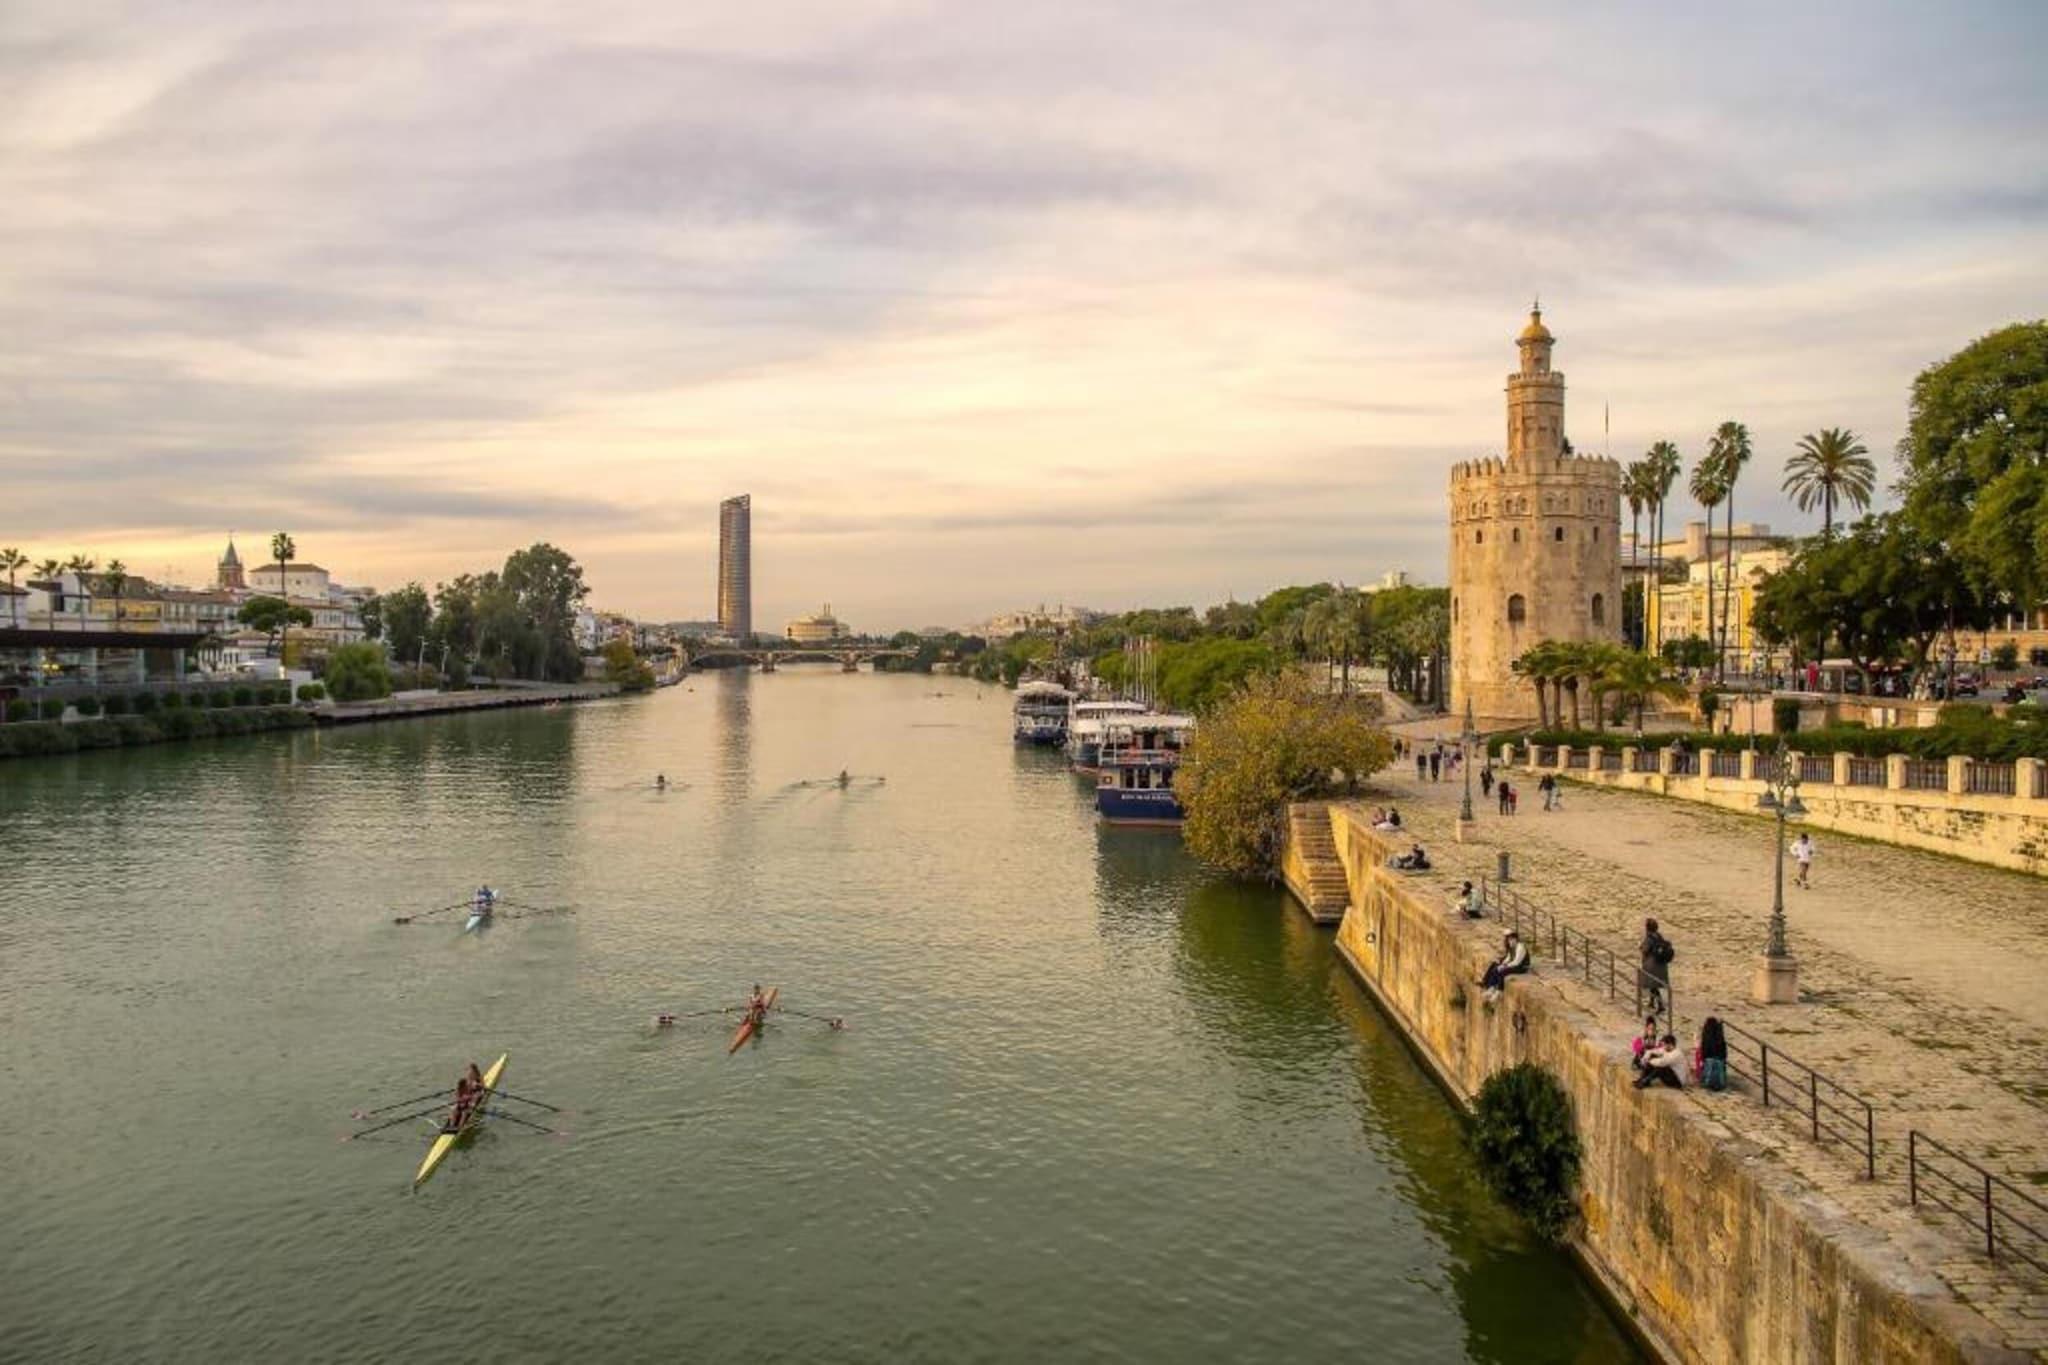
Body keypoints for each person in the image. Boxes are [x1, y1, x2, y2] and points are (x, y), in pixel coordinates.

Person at [1479, 932, 1529, 1002]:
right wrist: (1502, 964)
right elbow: (1508, 958)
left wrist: (1505, 966)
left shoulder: (1520, 947)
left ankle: (1499, 992)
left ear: (1516, 939)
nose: (1510, 941)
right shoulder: (1512, 947)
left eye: (1512, 939)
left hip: (1522, 967)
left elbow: (1517, 962)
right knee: (1496, 969)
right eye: (1509, 940)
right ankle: (1491, 989)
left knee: (1503, 972)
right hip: (1515, 965)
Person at [1640, 918, 1673, 1014]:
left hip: (1652, 965)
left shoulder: (1649, 938)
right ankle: (1651, 1002)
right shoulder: (1659, 936)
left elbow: (1645, 950)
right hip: (1661, 965)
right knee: (1653, 984)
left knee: (1653, 986)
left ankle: (1660, 1005)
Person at [1698, 1016, 1729, 1092]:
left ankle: (1707, 1081)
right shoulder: (1720, 1038)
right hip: (1719, 1061)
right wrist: (1720, 1025)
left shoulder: (1706, 1036)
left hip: (1709, 1061)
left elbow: (1704, 1052)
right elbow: (1724, 1054)